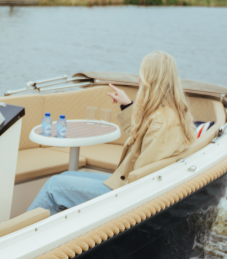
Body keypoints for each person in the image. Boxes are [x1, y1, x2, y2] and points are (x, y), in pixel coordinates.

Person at [27, 51, 196, 215]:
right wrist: (127, 105)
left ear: (150, 80)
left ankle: (24, 236)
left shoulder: (163, 121)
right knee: (67, 175)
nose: (139, 80)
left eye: (141, 74)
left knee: (54, 187)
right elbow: (142, 144)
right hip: (126, 186)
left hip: (128, 196)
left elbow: (142, 175)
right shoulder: (169, 112)